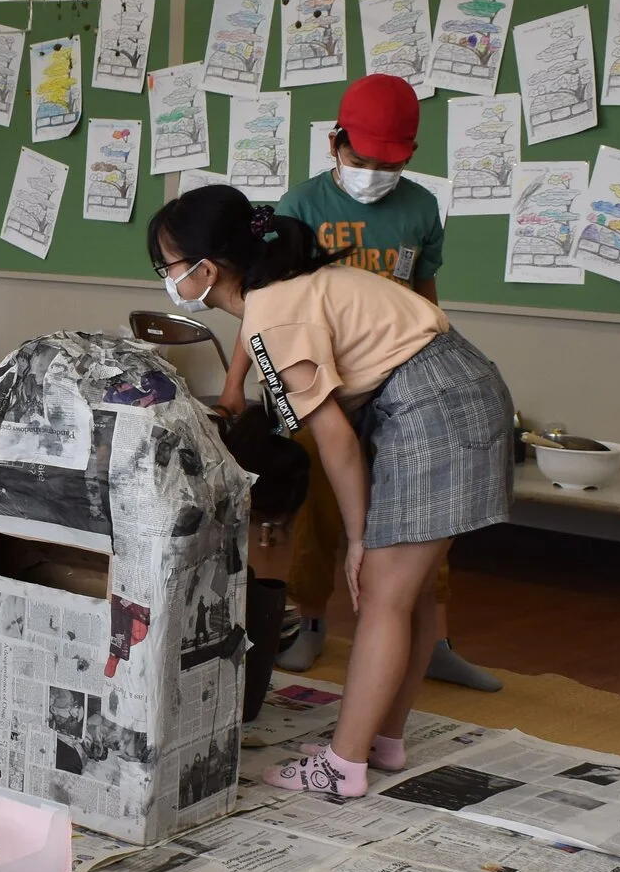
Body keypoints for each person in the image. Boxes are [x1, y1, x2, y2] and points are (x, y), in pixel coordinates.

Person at [151, 185, 513, 799]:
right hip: (460, 393)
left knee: (382, 593)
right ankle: (385, 738)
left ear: (206, 269)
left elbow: (337, 444)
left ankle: (343, 766)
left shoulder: (273, 317)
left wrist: (356, 537)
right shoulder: (285, 287)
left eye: (169, 266)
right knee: (411, 592)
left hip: (435, 413)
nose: (168, 278)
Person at [225, 72, 500, 694]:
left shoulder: (422, 207)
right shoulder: (303, 204)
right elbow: (266, 308)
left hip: (401, 382)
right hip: (319, 379)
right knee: (323, 508)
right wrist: (235, 382)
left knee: (426, 514)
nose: (372, 171)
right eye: (360, 158)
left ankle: (436, 642)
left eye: (388, 162)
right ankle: (314, 622)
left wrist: (442, 348)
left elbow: (424, 290)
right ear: (334, 143)